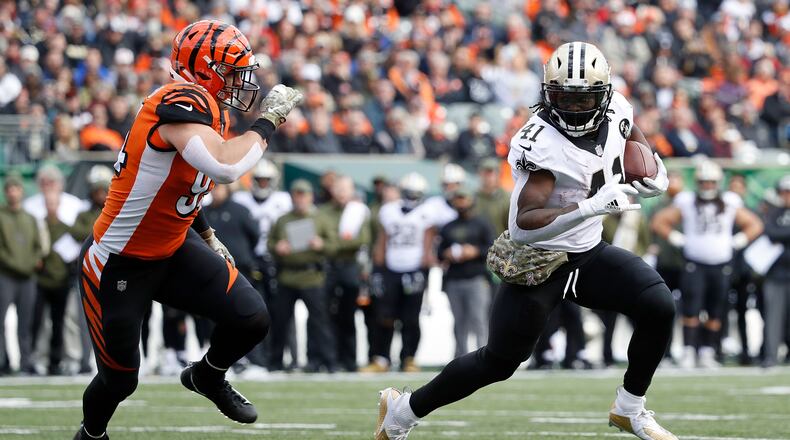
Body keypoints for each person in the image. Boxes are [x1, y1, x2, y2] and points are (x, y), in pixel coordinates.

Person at [375, 42, 680, 440]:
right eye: (563, 99)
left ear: (604, 94)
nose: (574, 108)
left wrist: (654, 168)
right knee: (499, 362)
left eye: (584, 98)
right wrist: (588, 208)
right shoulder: (541, 141)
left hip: (586, 255)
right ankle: (402, 410)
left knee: (658, 305)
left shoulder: (618, 106)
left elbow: (630, 135)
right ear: (547, 93)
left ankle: (629, 409)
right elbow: (524, 225)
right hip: (538, 262)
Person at [71, 19, 302, 440]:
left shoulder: (208, 107)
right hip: (119, 261)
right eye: (233, 71)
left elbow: (179, 187)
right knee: (121, 381)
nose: (242, 81)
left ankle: (207, 376)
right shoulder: (179, 101)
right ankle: (90, 435)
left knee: (251, 318)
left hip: (173, 247)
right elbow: (225, 165)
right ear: (207, 68)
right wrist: (269, 121)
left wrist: (209, 235)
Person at [651, 161, 763, 369]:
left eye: (711, 182)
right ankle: (689, 351)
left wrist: (738, 241)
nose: (708, 186)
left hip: (721, 263)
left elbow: (755, 224)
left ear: (718, 182)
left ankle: (707, 351)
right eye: (704, 182)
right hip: (695, 263)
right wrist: (676, 238)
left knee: (716, 309)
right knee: (691, 308)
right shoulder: (687, 200)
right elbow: (659, 221)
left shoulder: (729, 201)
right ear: (698, 182)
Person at [361, 173, 435, 373]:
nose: (411, 197)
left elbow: (428, 242)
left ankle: (409, 358)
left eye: (415, 193)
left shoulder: (427, 212)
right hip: (390, 270)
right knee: (384, 317)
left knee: (410, 318)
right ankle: (382, 359)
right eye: (408, 193)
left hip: (414, 269)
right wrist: (377, 269)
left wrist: (424, 269)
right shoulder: (388, 210)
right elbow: (382, 241)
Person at [267, 179, 338, 372]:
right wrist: (277, 248)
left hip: (312, 275)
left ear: (310, 197)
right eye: (296, 195)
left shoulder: (320, 218)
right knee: (280, 321)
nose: (300, 199)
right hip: (287, 275)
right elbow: (270, 243)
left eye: (303, 195)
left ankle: (327, 361)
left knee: (319, 322)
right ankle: (275, 361)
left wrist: (321, 245)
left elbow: (334, 245)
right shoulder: (283, 219)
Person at [231, 159, 294, 369]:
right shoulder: (241, 200)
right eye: (260, 180)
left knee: (281, 312)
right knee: (254, 309)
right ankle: (256, 357)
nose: (263, 184)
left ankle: (280, 357)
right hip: (252, 261)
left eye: (267, 181)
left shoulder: (283, 201)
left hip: (278, 260)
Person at [319, 176, 371, 372]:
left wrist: (330, 244)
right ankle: (329, 360)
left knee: (348, 316)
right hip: (329, 267)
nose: (341, 192)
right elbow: (316, 238)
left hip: (350, 267)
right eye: (338, 188)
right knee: (326, 315)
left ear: (351, 191)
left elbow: (362, 240)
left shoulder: (358, 212)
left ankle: (349, 360)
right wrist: (339, 243)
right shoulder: (323, 212)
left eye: (345, 189)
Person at [437, 187, 494, 358]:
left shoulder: (482, 224)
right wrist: (447, 254)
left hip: (476, 278)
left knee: (479, 319)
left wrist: (475, 251)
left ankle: (484, 356)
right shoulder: (448, 227)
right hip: (454, 279)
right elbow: (439, 252)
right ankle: (460, 357)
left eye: (464, 198)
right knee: (459, 321)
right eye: (458, 199)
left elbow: (494, 248)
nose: (461, 202)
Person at [71, 166, 114, 375]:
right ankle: (86, 360)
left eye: (103, 190)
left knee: (115, 318)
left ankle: (114, 360)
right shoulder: (84, 214)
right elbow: (77, 232)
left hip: (113, 272)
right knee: (87, 319)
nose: (101, 195)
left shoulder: (117, 211)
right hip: (89, 272)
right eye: (97, 191)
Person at [0, 173, 42, 376]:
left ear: (21, 191)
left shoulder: (30, 218)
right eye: (9, 189)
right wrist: (19, 264)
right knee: (1, 320)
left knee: (26, 323)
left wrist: (32, 263)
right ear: (6, 192)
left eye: (16, 188)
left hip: (27, 277)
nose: (13, 192)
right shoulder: (1, 216)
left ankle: (26, 361)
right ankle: (3, 361)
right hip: (6, 275)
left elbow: (38, 246)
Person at [761, 175, 790, 368]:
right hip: (777, 273)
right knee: (773, 317)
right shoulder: (774, 212)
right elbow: (770, 232)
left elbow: (778, 234)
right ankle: (770, 355)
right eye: (784, 192)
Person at [475, 158, 510, 235]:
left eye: (491, 173)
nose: (487, 177)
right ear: (479, 174)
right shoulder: (473, 198)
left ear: (499, 175)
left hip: (501, 244)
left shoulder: (507, 198)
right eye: (484, 173)